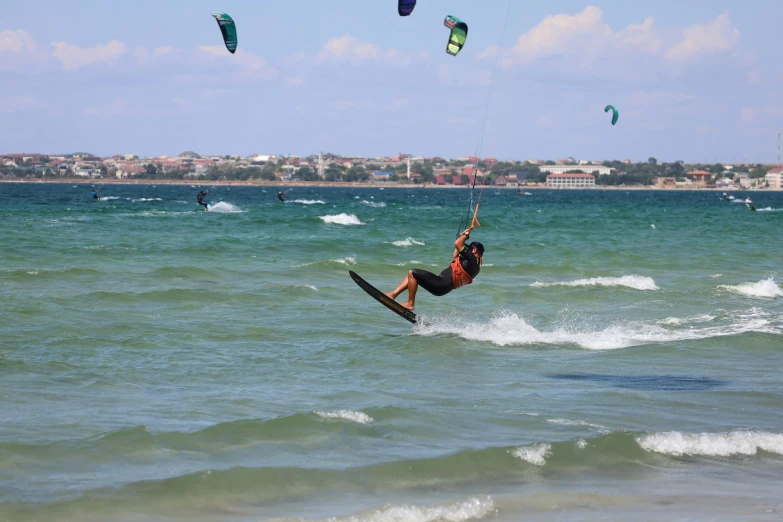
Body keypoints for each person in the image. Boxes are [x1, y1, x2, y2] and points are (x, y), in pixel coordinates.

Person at [386, 226, 484, 311]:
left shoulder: (471, 258)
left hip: (440, 283)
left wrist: (465, 236)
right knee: (411, 276)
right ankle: (392, 295)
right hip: (443, 288)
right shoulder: (475, 266)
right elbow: (455, 258)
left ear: (474, 250)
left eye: (470, 249)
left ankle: (410, 303)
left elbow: (457, 244)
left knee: (413, 272)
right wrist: (460, 238)